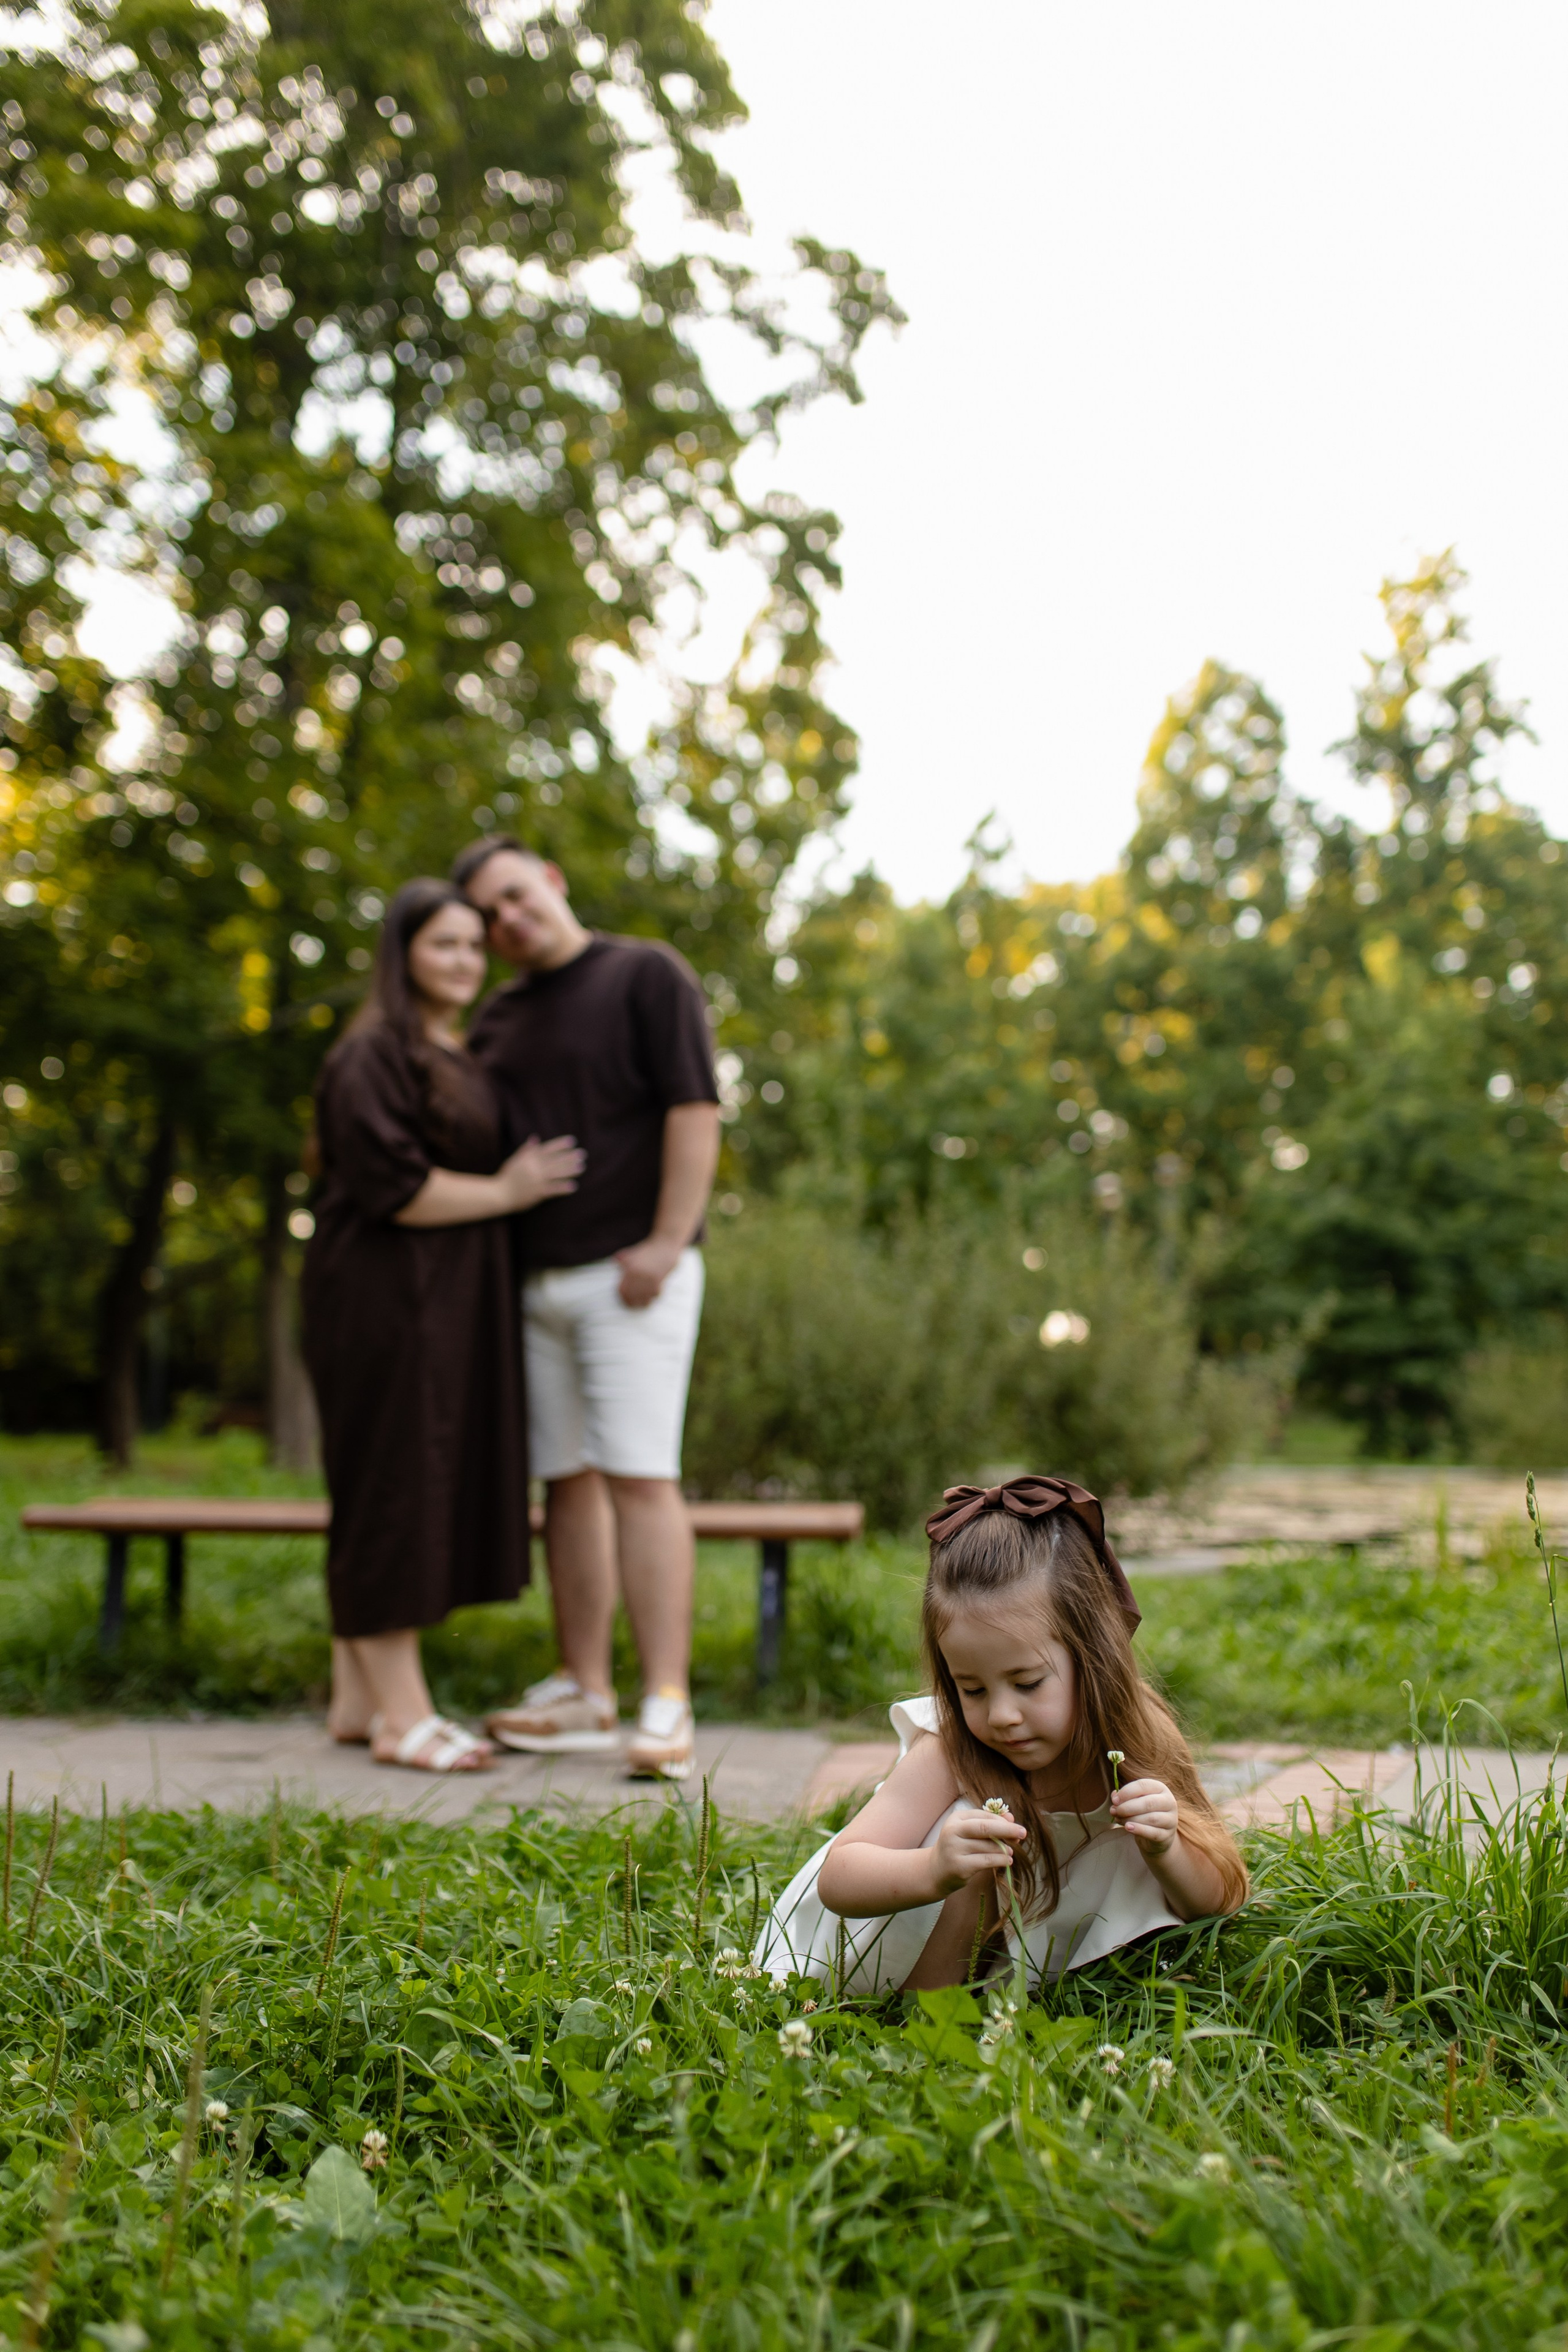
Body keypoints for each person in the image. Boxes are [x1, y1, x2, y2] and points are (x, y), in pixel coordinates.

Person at [755, 1476, 1248, 1990]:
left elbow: (1221, 1899)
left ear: (1093, 1656)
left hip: (1015, 1968)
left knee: (1144, 1824)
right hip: (873, 1956)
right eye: (972, 1690)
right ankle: (931, 2029)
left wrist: (1166, 1849)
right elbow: (839, 1876)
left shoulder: (1139, 1742)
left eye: (1027, 1683)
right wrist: (933, 1870)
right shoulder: (953, 1748)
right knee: (974, 1832)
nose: (1002, 1716)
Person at [302, 879, 584, 1773]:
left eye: (474, 945)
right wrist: (504, 1190)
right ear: (404, 954)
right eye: (444, 945)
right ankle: (404, 1717)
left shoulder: (452, 1049)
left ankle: (359, 1700)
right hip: (383, 1302)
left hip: (443, 1304)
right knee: (392, 1491)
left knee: (403, 1483)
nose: (465, 960)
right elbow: (392, 1185)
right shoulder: (371, 1055)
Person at [454, 836, 720, 1782]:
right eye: (489, 916)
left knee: (640, 1477)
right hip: (532, 1285)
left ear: (554, 882)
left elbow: (695, 1108)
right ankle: (585, 1690)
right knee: (563, 1485)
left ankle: (665, 1702)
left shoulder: (646, 975)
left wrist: (665, 1240)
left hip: (631, 1277)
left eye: (516, 897)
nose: (508, 921)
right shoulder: (497, 1019)